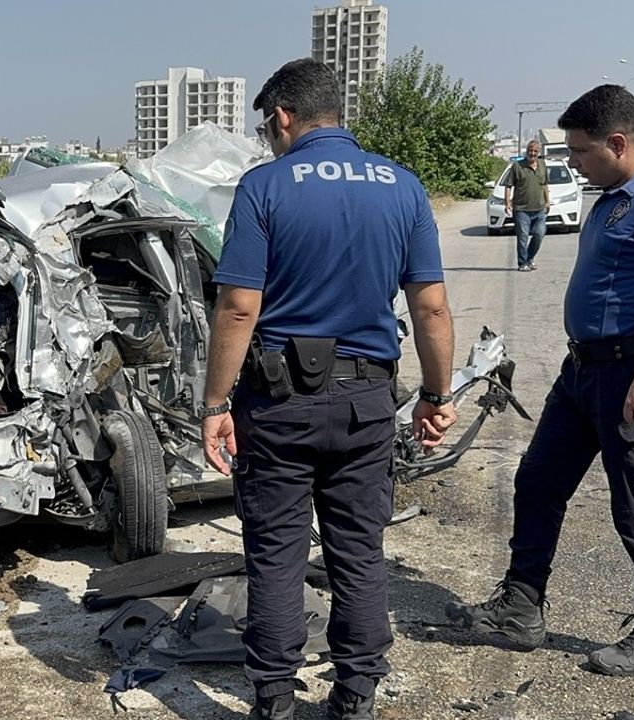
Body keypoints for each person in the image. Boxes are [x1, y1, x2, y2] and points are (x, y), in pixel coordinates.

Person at [200, 58, 458, 720]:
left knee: (277, 556)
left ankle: (274, 702)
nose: (269, 139)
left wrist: (215, 404)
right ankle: (355, 696)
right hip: (366, 404)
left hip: (278, 404)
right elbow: (430, 307)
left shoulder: (264, 187)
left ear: (284, 116)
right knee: (359, 553)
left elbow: (238, 308)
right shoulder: (403, 186)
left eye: (268, 126)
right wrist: (436, 395)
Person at [446, 84, 634, 677]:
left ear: (617, 143)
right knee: (538, 480)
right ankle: (522, 607)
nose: (572, 163)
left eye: (579, 151)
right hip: (583, 372)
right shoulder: (617, 196)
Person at [504, 140, 551, 271]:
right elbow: (508, 186)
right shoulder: (517, 166)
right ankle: (522, 263)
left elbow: (544, 185)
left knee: (539, 234)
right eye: (530, 150)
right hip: (521, 210)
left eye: (535, 151)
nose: (532, 153)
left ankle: (529, 258)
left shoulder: (542, 165)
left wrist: (547, 202)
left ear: (538, 152)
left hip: (539, 209)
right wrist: (507, 203)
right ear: (527, 151)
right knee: (523, 237)